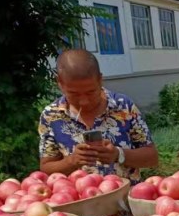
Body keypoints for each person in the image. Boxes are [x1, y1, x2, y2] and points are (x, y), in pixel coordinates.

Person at [38, 49, 159, 181]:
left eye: (91, 92)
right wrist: (72, 161)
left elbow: (151, 157)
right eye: (74, 94)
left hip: (124, 198)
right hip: (81, 200)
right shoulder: (51, 116)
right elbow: (46, 169)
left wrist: (119, 154)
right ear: (59, 83)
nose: (84, 101)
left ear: (100, 79)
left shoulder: (123, 107)